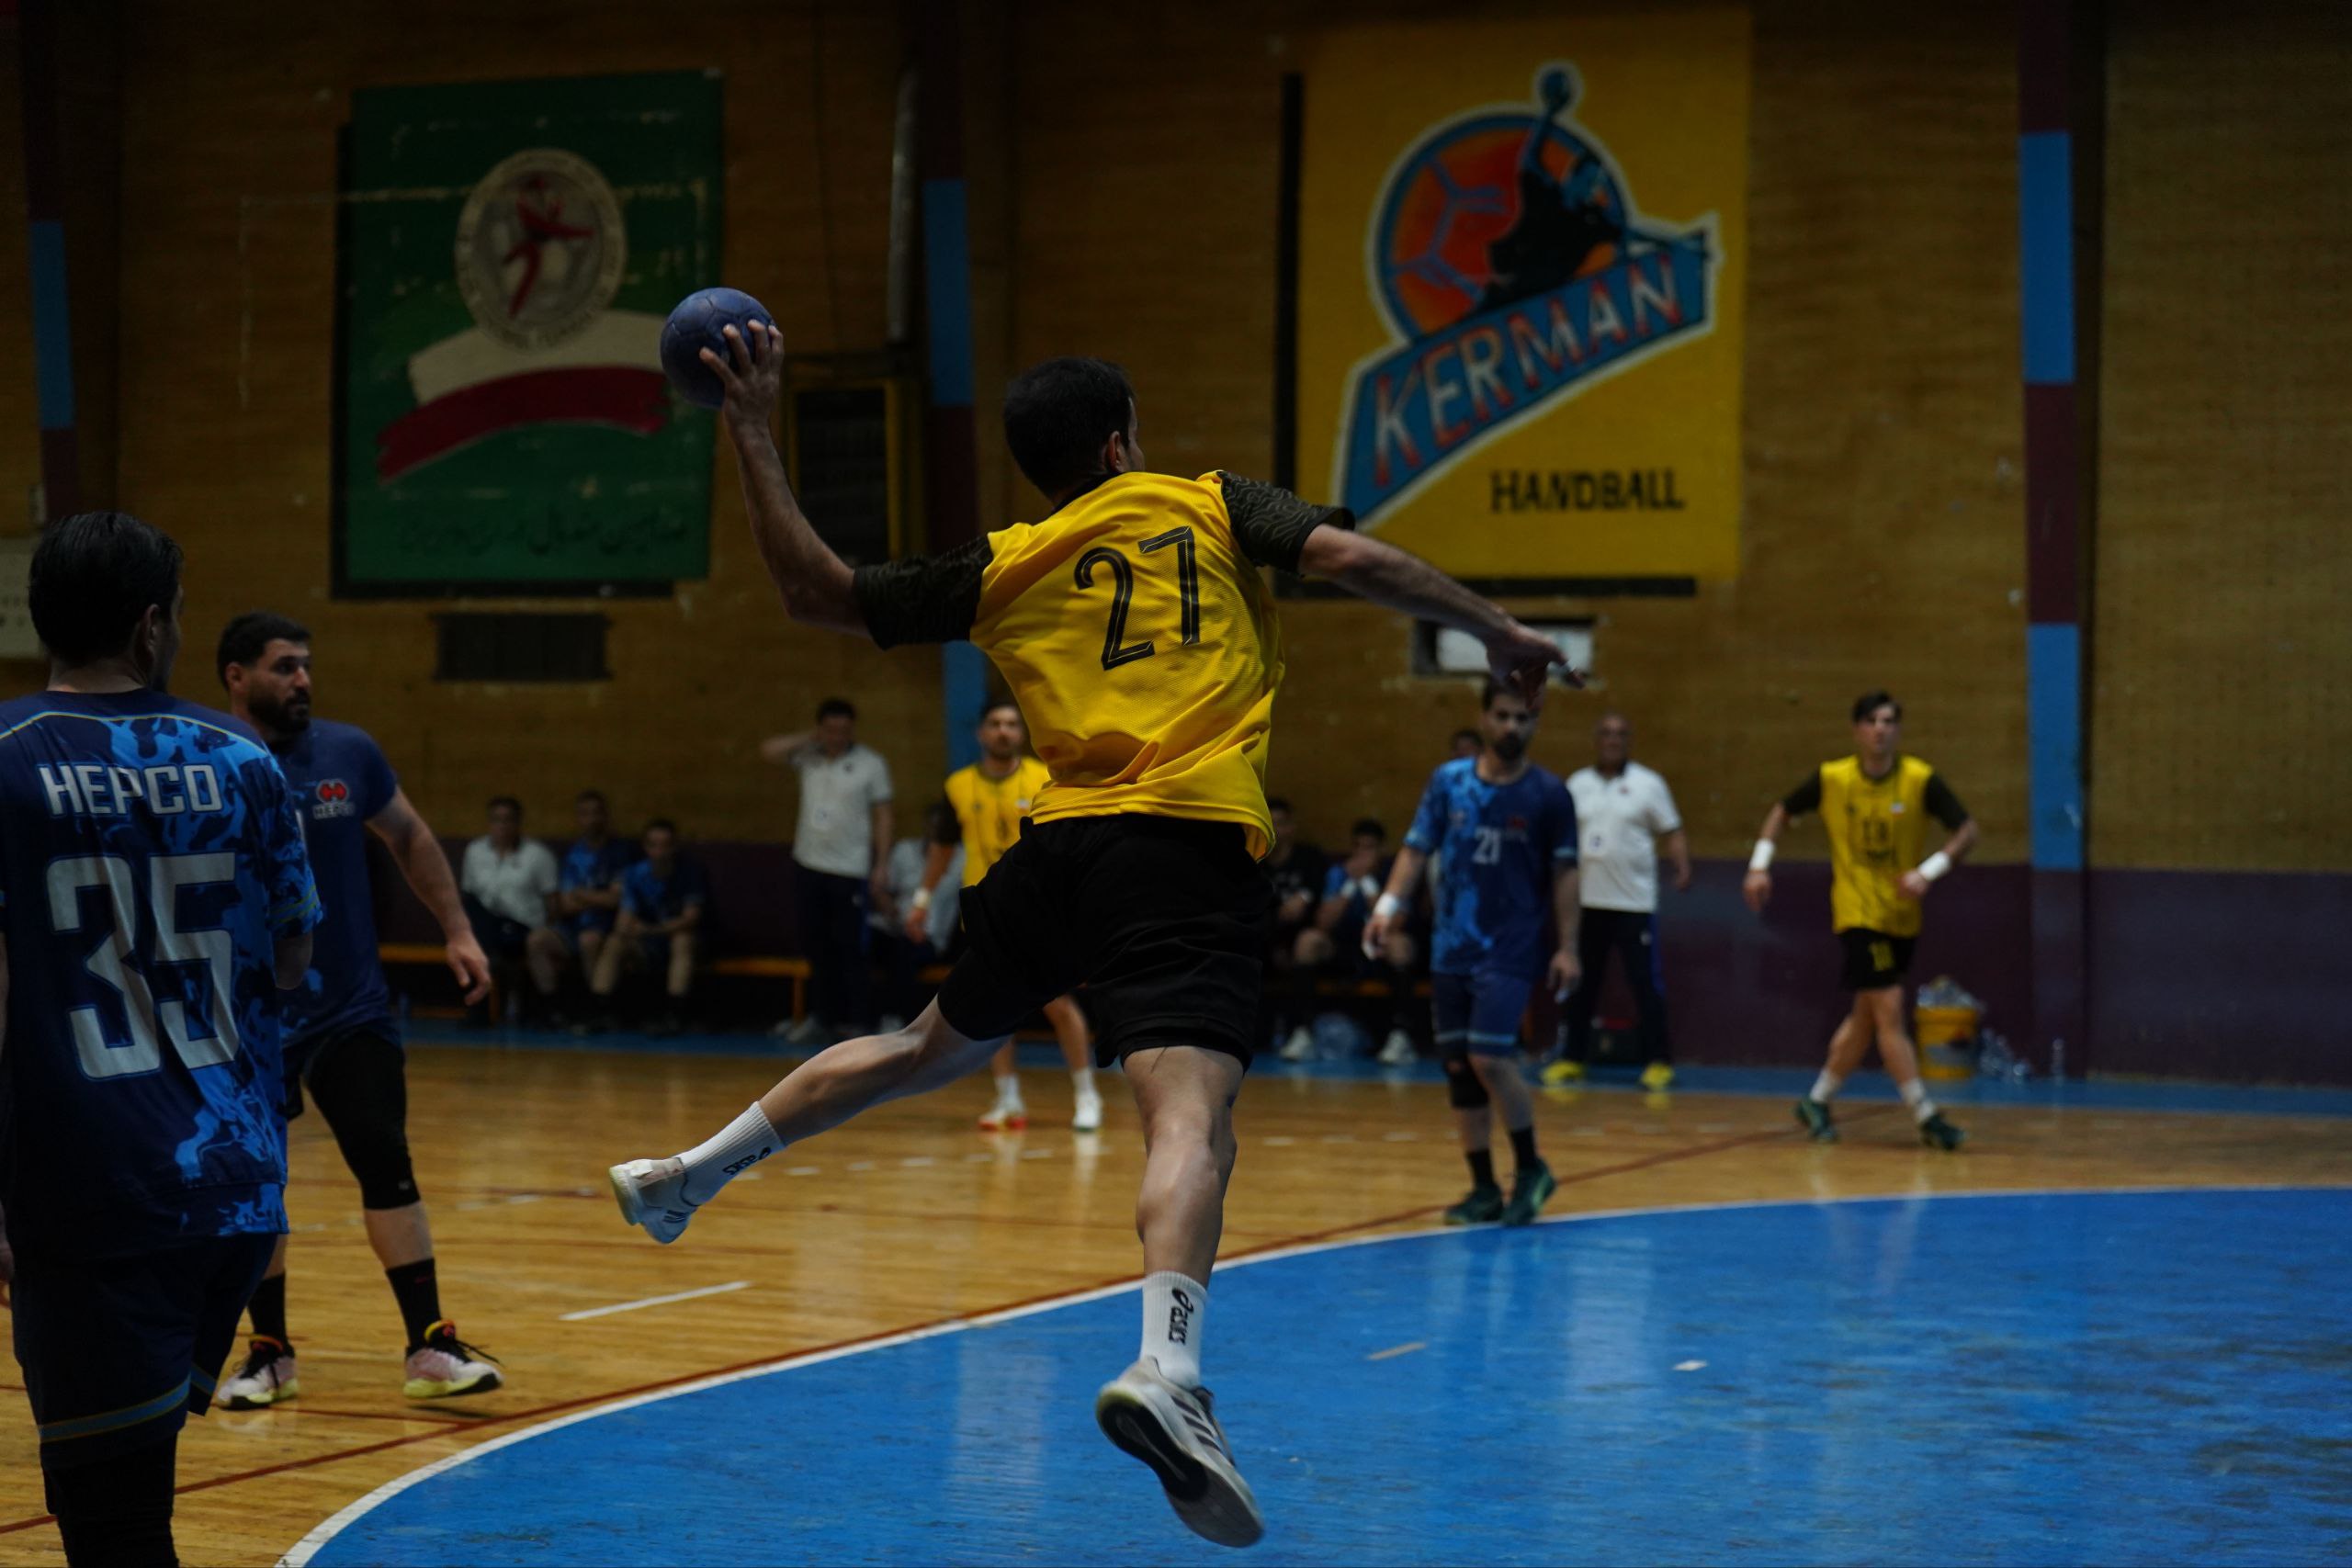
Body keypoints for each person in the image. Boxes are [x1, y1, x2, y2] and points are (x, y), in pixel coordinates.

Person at [605, 334, 1567, 1548]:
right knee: (1190, 1117)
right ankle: (1169, 1366)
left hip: (1058, 854)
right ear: (1120, 442)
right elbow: (1350, 557)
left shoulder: (1005, 561)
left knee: (922, 1045)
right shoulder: (1206, 503)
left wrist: (748, 424)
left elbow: (817, 594)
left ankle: (688, 1172)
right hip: (1185, 845)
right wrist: (1495, 628)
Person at [0, 512, 319, 1568]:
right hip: (236, 1192)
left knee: (114, 1527)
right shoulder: (244, 757)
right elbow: (290, 956)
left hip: (93, 1197)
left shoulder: (9, 758)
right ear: (151, 627)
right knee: (133, 1487)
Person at [212, 612, 502, 1409]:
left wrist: (457, 930)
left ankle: (429, 1342)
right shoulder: (207, 757)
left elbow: (408, 835)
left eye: (305, 664)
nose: (302, 679)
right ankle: (269, 1350)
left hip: (350, 1007)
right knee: (258, 1183)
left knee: (385, 1159)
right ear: (236, 675)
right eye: (283, 666)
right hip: (246, 1017)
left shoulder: (349, 752)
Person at [1367, 681, 1580, 1227]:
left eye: (1523, 718)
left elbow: (1565, 873)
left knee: (1490, 1057)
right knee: (1460, 1067)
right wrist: (1388, 906)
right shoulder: (1449, 782)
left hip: (1510, 948)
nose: (1512, 727)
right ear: (1484, 717)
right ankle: (1484, 1187)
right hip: (1451, 946)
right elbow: (1416, 849)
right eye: (1503, 715)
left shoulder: (1549, 795)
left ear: (1535, 723)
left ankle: (1531, 1167)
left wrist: (1568, 947)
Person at [1744, 691, 1976, 1150]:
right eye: (1871, 721)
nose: (1880, 729)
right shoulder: (1833, 778)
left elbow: (1968, 831)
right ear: (1856, 730)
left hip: (1900, 915)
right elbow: (1781, 813)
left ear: (1898, 730)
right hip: (1857, 913)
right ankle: (1926, 1115)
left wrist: (1929, 871)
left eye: (1888, 721)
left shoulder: (1918, 779)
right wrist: (1758, 866)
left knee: (1865, 1018)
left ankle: (1816, 1101)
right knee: (1889, 1009)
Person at [913, 700, 1102, 1133]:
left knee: (1059, 1004)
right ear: (981, 733)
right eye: (995, 724)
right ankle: (1008, 1098)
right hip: (986, 913)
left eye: (1012, 724)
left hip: (1042, 911)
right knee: (994, 1007)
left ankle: (1087, 1094)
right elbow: (942, 849)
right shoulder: (958, 785)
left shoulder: (1044, 778)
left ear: (1022, 732)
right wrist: (921, 900)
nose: (1003, 731)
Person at [1548, 712, 1690, 1090]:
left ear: (1629, 740)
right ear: (1596, 739)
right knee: (1581, 984)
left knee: (1645, 985)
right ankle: (1572, 1059)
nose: (1613, 740)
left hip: (1633, 904)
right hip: (1586, 903)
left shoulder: (1649, 784)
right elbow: (1560, 836)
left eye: (1620, 734)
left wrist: (1682, 866)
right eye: (1607, 733)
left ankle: (1658, 1062)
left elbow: (1672, 830)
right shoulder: (1577, 784)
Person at [762, 698, 893, 1043]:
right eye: (831, 730)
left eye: (844, 730)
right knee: (816, 946)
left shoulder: (871, 764)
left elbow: (883, 815)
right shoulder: (808, 756)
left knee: (852, 948)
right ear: (821, 729)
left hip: (850, 869)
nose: (837, 737)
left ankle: (861, 1020)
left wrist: (881, 864)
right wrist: (810, 738)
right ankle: (823, 1018)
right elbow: (769, 750)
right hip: (808, 865)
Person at [1282, 818, 1418, 1065]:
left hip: (1378, 948)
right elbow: (1324, 923)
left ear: (1381, 849)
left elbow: (1393, 924)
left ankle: (1400, 1036)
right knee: (1308, 941)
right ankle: (1302, 1033)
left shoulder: (1394, 875)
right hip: (1343, 946)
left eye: (1369, 847)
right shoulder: (1338, 873)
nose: (1362, 853)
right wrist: (1349, 885)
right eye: (1357, 846)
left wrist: (1367, 883)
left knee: (1400, 945)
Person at [587, 818, 707, 1035]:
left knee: (682, 939)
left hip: (679, 943)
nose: (659, 852)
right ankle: (601, 1010)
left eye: (665, 845)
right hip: (646, 944)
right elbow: (624, 920)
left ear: (674, 847)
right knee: (615, 941)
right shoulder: (634, 874)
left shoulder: (690, 872)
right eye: (653, 845)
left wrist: (652, 930)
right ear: (645, 847)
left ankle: (674, 1015)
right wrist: (633, 930)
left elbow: (691, 918)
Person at [526, 789, 633, 1017]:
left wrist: (582, 895)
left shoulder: (620, 853)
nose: (591, 819)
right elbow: (564, 904)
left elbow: (616, 900)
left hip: (607, 927)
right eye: (585, 814)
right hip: (573, 926)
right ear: (578, 818)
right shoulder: (573, 855)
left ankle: (597, 1008)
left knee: (589, 940)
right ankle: (552, 1009)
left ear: (606, 816)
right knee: (537, 940)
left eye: (596, 813)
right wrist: (597, 897)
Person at [459, 795, 560, 1023]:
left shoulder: (538, 855)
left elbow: (552, 902)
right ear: (489, 823)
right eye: (496, 820)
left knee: (484, 939)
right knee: (473, 928)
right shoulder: (475, 851)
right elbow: (467, 893)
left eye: (508, 820)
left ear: (518, 823)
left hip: (523, 926)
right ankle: (479, 1007)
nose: (502, 826)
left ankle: (484, 1008)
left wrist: (548, 929)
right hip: (487, 925)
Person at [872, 802, 962, 1031]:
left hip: (928, 935)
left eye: (941, 828)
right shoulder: (905, 850)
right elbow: (882, 890)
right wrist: (889, 908)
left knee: (905, 949)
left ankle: (900, 1020)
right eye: (932, 826)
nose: (935, 832)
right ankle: (854, 1019)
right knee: (861, 942)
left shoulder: (963, 858)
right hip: (895, 925)